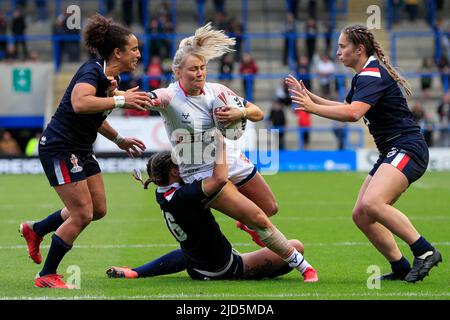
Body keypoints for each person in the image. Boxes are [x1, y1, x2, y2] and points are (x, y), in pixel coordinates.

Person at [133, 23, 318, 282]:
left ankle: (246, 222)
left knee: (269, 207)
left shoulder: (217, 91)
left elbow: (258, 112)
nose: (199, 73)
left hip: (230, 158)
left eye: (202, 68)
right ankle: (305, 268)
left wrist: (239, 112)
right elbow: (146, 99)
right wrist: (118, 96)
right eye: (193, 69)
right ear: (177, 72)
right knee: (258, 219)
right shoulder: (169, 97)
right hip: (202, 170)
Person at [286, 24, 442, 283]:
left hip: (407, 146)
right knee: (361, 214)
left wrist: (311, 108)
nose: (338, 52)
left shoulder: (371, 75)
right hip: (392, 149)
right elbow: (348, 106)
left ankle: (424, 251)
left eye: (342, 46)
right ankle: (401, 266)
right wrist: (310, 96)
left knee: (373, 203)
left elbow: (353, 114)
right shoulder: (364, 75)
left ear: (359, 49)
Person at [19, 13, 152, 289]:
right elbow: (80, 104)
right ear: (118, 52)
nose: (139, 54)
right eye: (134, 49)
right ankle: (46, 274)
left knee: (98, 209)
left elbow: (94, 116)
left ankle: (37, 229)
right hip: (60, 148)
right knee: (81, 213)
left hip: (79, 148)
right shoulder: (92, 70)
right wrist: (120, 99)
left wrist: (119, 140)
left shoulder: (106, 79)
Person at [107, 132, 312, 281]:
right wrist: (221, 144)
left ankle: (136, 271)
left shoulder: (161, 194)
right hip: (224, 267)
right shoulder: (185, 194)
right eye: (181, 164)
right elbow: (220, 179)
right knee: (296, 247)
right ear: (175, 172)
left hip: (196, 265)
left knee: (189, 250)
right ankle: (260, 263)